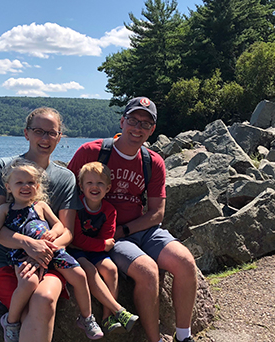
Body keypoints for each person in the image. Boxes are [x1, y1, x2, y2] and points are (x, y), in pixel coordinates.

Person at [68, 97, 198, 342]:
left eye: (145, 124)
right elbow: (66, 195)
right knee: (148, 271)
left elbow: (157, 213)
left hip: (139, 229)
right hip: (106, 231)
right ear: (122, 121)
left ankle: (183, 336)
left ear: (152, 130)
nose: (138, 128)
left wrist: (124, 231)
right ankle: (154, 339)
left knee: (186, 262)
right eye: (133, 120)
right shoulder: (92, 152)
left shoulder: (153, 162)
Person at [0, 158, 103, 341]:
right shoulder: (4, 210)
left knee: (80, 275)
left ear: (38, 186)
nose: (26, 186)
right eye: (19, 183)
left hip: (52, 252)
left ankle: (87, 318)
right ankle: (11, 321)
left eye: (31, 182)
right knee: (28, 283)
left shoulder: (40, 206)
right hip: (22, 256)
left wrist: (53, 234)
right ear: (8, 187)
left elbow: (60, 226)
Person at [0, 107, 83, 342]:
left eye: (52, 133)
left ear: (60, 137)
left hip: (48, 260)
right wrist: (28, 245)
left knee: (45, 300)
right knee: (28, 313)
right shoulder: (4, 168)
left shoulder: (65, 177)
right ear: (26, 133)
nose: (45, 138)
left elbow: (67, 232)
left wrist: (41, 252)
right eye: (39, 131)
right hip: (4, 261)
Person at [67, 161, 139, 334]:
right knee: (89, 271)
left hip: (94, 250)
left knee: (111, 269)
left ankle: (108, 318)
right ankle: (119, 311)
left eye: (100, 183)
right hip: (76, 250)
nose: (94, 187)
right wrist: (101, 245)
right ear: (81, 186)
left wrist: (101, 245)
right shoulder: (76, 207)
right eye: (89, 183)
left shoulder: (109, 210)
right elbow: (76, 240)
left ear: (108, 188)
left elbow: (107, 240)